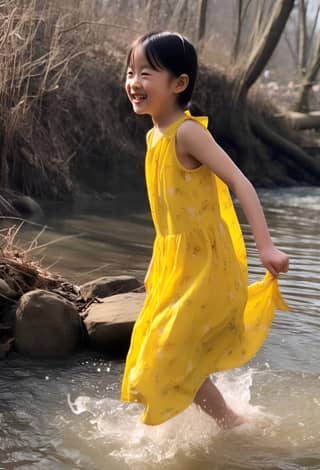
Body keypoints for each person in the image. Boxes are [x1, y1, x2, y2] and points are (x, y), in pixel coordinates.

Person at [121, 31, 289, 430]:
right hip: (174, 263)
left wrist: (265, 247)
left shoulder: (188, 133)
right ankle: (220, 424)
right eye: (130, 72)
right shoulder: (152, 136)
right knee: (163, 349)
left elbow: (240, 182)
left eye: (146, 73)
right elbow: (166, 214)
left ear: (178, 84)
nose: (133, 82)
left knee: (167, 351)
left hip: (206, 266)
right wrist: (153, 265)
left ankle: (229, 425)